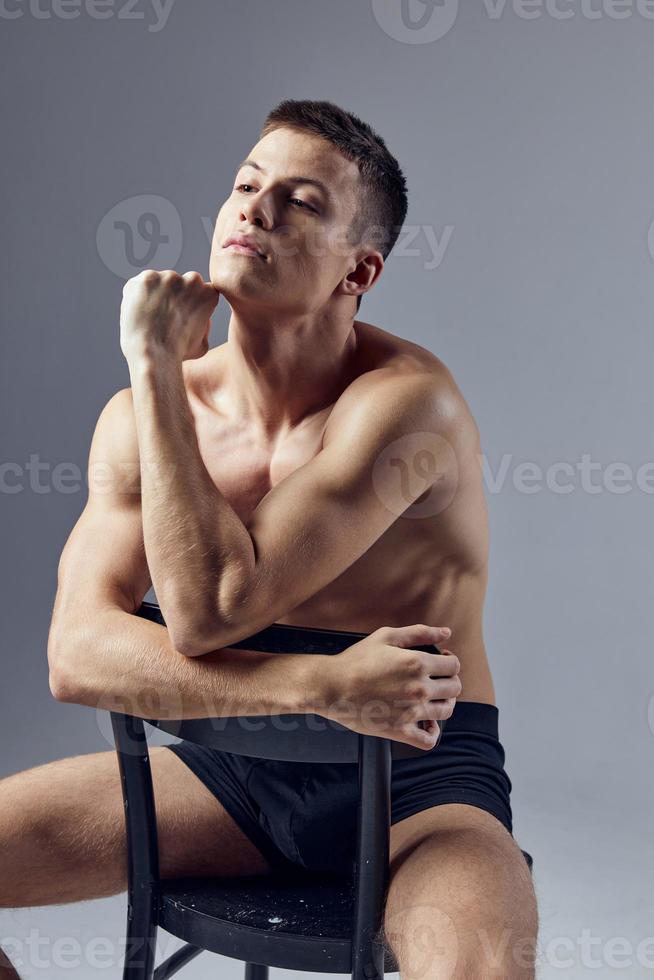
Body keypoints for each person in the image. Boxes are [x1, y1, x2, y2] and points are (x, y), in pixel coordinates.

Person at [0, 99, 538, 979]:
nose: (256, 209)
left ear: (357, 270)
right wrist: (323, 685)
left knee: (480, 969)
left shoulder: (407, 405)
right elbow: (77, 653)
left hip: (418, 781)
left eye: (302, 202)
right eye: (247, 186)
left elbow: (214, 610)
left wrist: (154, 383)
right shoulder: (150, 410)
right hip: (236, 775)